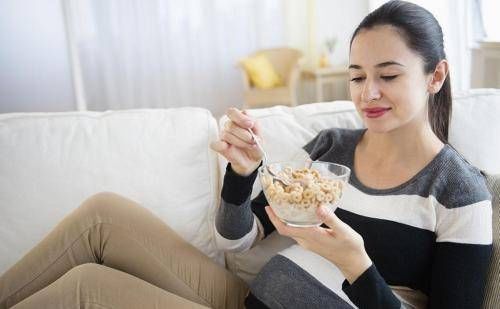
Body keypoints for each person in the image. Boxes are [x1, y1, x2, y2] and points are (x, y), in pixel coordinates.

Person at [0, 1, 492, 308]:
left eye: (388, 75)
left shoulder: (457, 192)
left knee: (87, 289)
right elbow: (238, 241)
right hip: (247, 298)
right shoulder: (331, 149)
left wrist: (357, 266)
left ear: (436, 76)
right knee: (102, 215)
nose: (368, 94)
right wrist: (243, 174)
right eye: (358, 75)